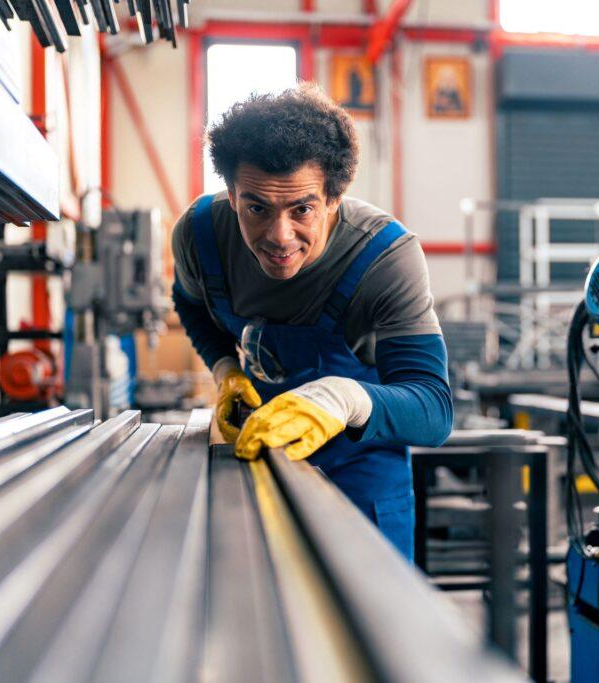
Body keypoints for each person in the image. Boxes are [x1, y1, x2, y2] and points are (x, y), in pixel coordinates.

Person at [171, 83, 453, 559]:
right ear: (232, 194)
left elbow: (432, 408)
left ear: (334, 199)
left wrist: (343, 397)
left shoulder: (386, 258)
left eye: (302, 208)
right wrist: (225, 370)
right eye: (256, 207)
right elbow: (190, 305)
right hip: (257, 466)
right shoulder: (200, 236)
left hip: (360, 478)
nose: (279, 236)